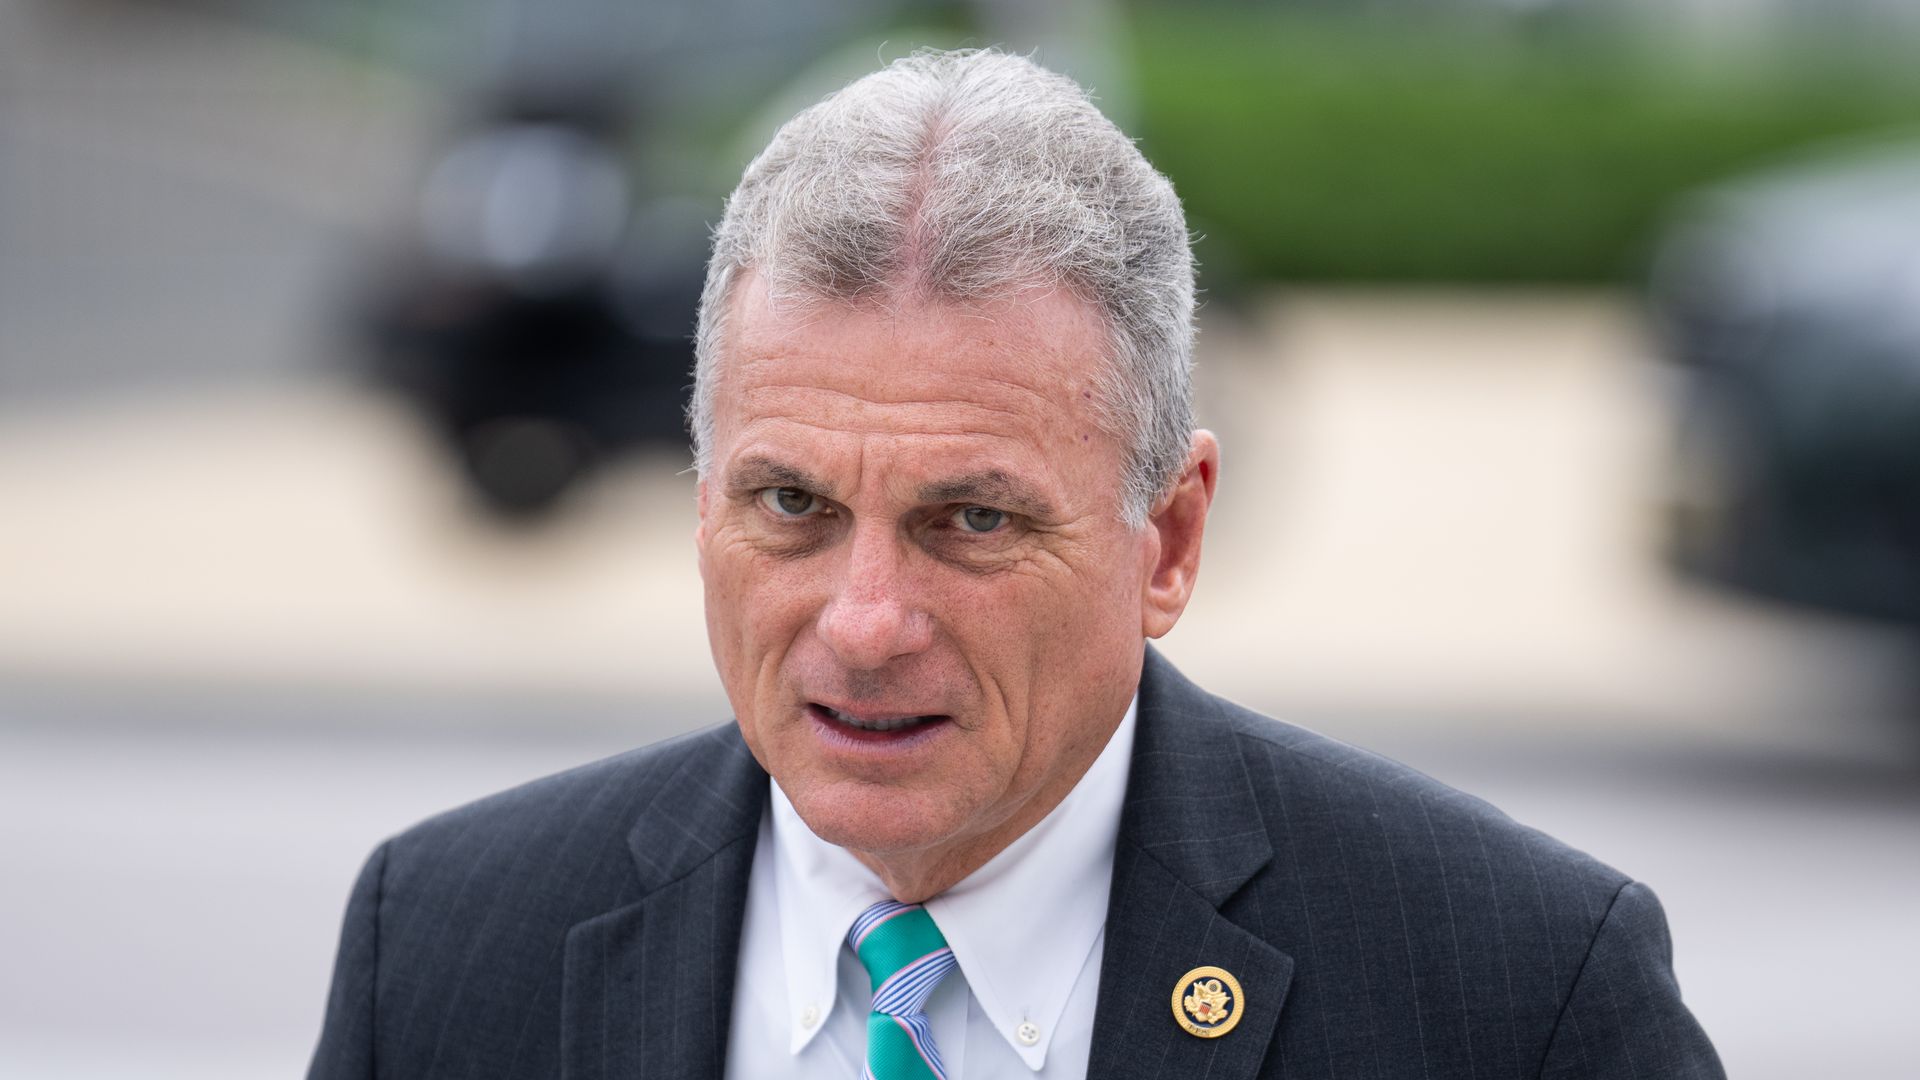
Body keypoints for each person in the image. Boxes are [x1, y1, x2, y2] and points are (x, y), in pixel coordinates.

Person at [308, 49, 1723, 1079]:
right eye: (792, 502)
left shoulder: (1517, 995)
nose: (865, 625)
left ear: (1167, 539)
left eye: (973, 521)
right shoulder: (435, 948)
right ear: (699, 506)